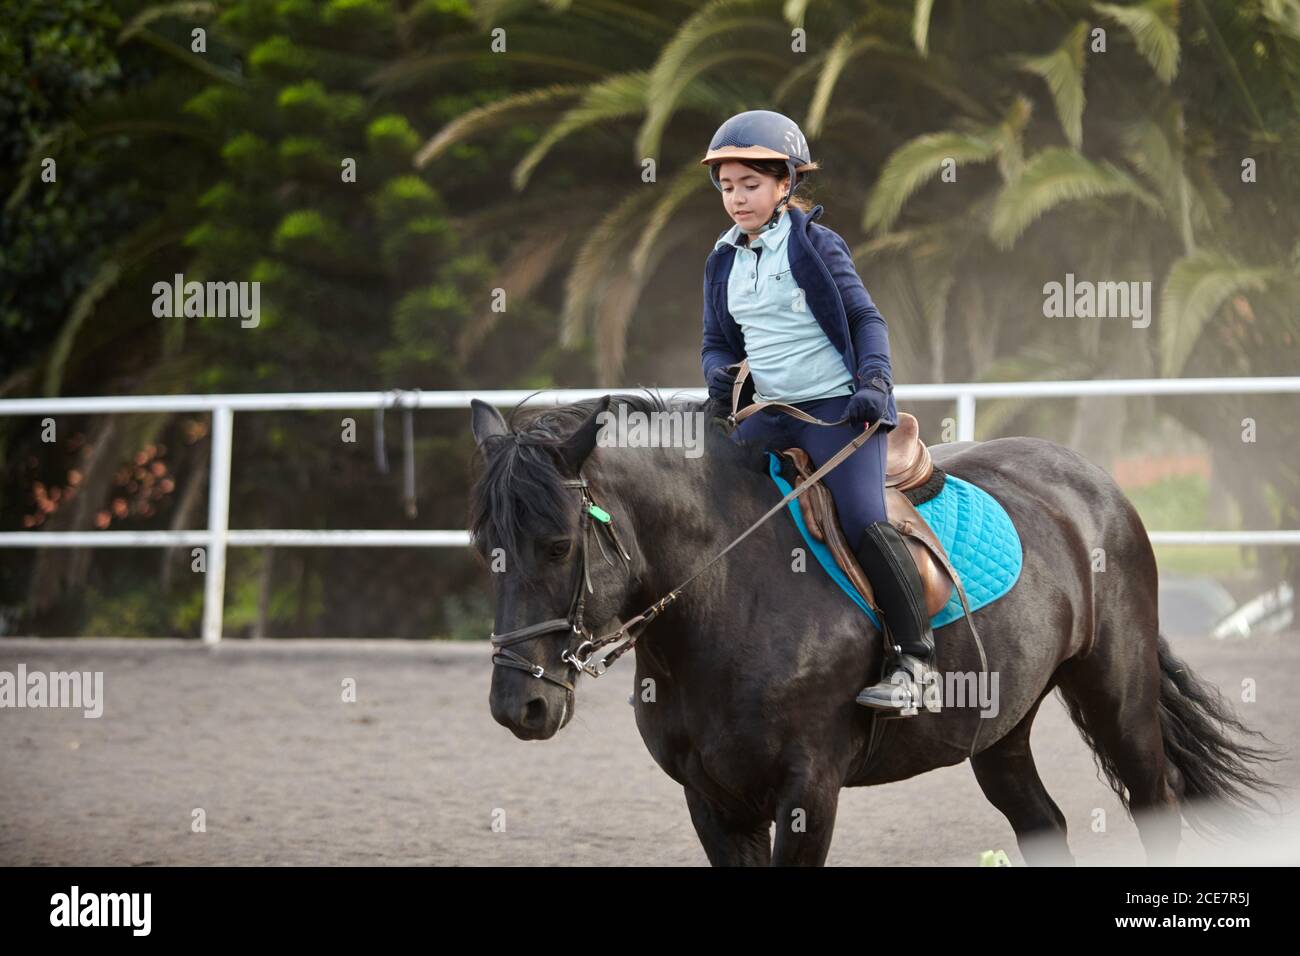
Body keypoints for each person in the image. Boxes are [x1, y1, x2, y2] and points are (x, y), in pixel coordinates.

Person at [699, 109, 937, 716]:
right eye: (727, 187)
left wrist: (875, 381)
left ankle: (916, 662)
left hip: (838, 409)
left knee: (860, 518)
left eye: (750, 185)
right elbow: (718, 343)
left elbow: (865, 319)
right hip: (771, 411)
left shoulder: (815, 244)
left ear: (785, 185)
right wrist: (717, 378)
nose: (736, 199)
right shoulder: (722, 259)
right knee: (705, 496)